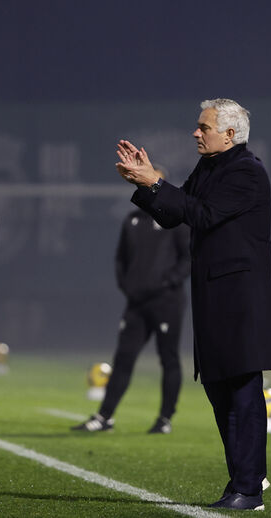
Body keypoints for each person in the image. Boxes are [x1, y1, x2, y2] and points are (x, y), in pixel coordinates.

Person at [115, 98, 271, 511]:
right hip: (213, 297)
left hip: (241, 300)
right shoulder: (210, 167)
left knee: (242, 390)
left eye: (203, 127)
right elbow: (174, 215)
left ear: (229, 133)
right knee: (221, 391)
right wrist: (146, 185)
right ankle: (244, 479)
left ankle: (249, 488)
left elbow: (202, 215)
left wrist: (155, 181)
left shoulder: (247, 171)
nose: (195, 132)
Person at [72, 167, 191, 434]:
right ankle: (105, 417)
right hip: (137, 303)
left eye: (152, 180)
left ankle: (165, 419)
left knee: (168, 358)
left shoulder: (176, 219)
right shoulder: (132, 220)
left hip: (167, 302)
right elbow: (120, 259)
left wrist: (167, 283)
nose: (147, 185)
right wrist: (127, 286)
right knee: (124, 357)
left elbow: (188, 258)